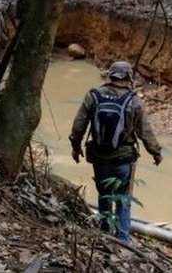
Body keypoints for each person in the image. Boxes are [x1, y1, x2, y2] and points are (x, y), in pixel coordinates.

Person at [69, 60, 162, 242]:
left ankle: (103, 233)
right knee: (123, 200)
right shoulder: (133, 101)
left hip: (99, 157)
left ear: (110, 74)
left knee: (104, 195)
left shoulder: (93, 96)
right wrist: (156, 153)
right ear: (128, 77)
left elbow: (78, 125)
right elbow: (146, 131)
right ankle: (123, 240)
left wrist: (75, 147)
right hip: (123, 160)